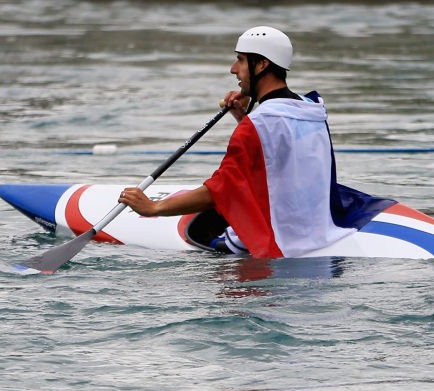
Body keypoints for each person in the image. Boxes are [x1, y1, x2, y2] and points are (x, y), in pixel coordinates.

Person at [118, 26, 389, 257]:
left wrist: (154, 207)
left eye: (240, 60)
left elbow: (220, 190)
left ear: (261, 65)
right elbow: (281, 154)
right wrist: (244, 115)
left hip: (275, 244)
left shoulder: (258, 125)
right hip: (321, 226)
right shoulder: (311, 108)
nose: (233, 69)